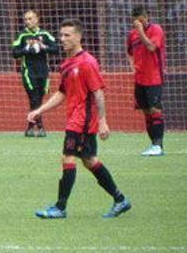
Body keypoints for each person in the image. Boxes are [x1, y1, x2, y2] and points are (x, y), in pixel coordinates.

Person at [29, 19, 131, 219]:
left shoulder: (87, 62)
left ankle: (60, 207)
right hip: (76, 119)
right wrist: (39, 110)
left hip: (83, 121)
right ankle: (120, 200)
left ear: (78, 36)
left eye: (67, 35)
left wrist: (102, 121)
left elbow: (99, 93)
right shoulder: (66, 64)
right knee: (89, 161)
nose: (62, 39)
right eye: (61, 35)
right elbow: (62, 94)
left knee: (68, 157)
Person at [126, 6, 167, 156]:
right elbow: (129, 52)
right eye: (135, 21)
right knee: (146, 113)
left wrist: (141, 31)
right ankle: (154, 145)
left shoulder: (156, 29)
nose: (138, 23)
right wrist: (132, 66)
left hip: (154, 77)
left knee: (155, 110)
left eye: (141, 20)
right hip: (139, 79)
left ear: (146, 17)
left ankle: (158, 145)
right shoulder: (131, 35)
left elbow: (151, 47)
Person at [11, 10, 59, 137]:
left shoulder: (45, 34)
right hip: (29, 71)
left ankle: (30, 127)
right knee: (34, 98)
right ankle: (41, 127)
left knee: (38, 98)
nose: (28, 21)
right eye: (26, 19)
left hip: (43, 72)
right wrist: (27, 49)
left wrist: (43, 47)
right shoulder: (22, 35)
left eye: (30, 18)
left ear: (37, 18)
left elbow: (56, 49)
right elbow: (15, 53)